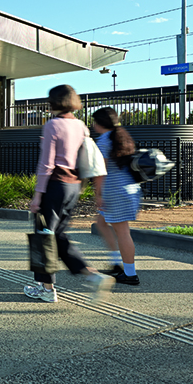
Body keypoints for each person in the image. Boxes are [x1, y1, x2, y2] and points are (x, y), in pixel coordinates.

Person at [24, 85, 114, 303]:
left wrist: (37, 196)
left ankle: (48, 289)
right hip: (74, 187)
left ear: (54, 102)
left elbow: (46, 164)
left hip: (55, 186)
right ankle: (90, 275)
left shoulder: (52, 125)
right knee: (57, 235)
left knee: (44, 234)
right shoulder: (80, 125)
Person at [91, 107, 141, 285]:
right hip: (129, 189)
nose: (93, 125)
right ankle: (115, 263)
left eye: (94, 121)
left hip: (114, 191)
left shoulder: (104, 140)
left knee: (122, 232)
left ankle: (130, 274)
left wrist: (98, 194)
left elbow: (100, 171)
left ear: (99, 123)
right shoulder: (122, 136)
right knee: (102, 223)